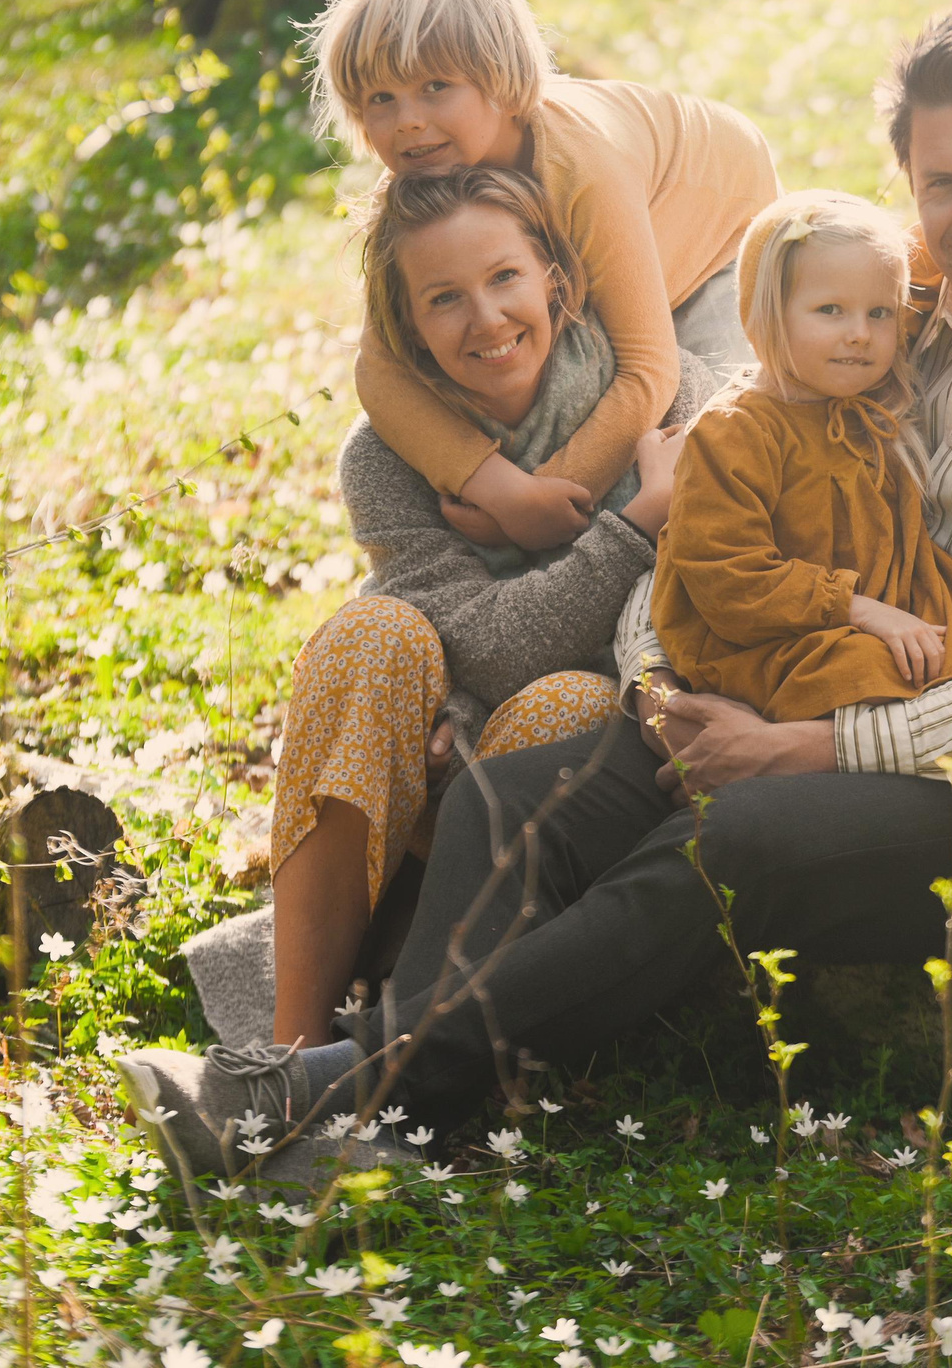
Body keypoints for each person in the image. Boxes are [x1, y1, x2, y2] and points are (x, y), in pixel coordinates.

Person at [123, 3, 952, 1152]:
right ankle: (395, 1129)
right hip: (796, 685)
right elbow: (714, 504)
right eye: (940, 183)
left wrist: (801, 750)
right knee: (514, 800)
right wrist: (660, 689)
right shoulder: (883, 310)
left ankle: (320, 1094)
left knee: (736, 840)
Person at [115, 167, 718, 1169]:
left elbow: (620, 637)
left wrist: (483, 691)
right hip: (419, 762)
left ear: (558, 283)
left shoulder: (667, 402)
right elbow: (470, 638)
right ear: (405, 325)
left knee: (571, 701)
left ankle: (409, 1056)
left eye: (504, 278)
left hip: (559, 790)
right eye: (443, 298)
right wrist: (627, 527)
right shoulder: (386, 455)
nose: (484, 318)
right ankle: (294, 1052)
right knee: (372, 634)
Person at [307, 0, 781, 554]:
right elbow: (381, 371)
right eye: (381, 99)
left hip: (720, 226)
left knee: (728, 433)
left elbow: (649, 368)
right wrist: (499, 488)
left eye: (435, 87)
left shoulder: (584, 167)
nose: (409, 122)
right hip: (609, 235)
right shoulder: (425, 171)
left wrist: (551, 494)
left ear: (498, 80)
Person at [651, 188, 952, 719]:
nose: (859, 335)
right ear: (766, 316)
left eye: (878, 313)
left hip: (881, 609)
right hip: (772, 638)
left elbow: (927, 280)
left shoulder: (860, 389)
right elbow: (726, 577)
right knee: (877, 670)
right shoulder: (736, 431)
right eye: (830, 310)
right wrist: (858, 610)